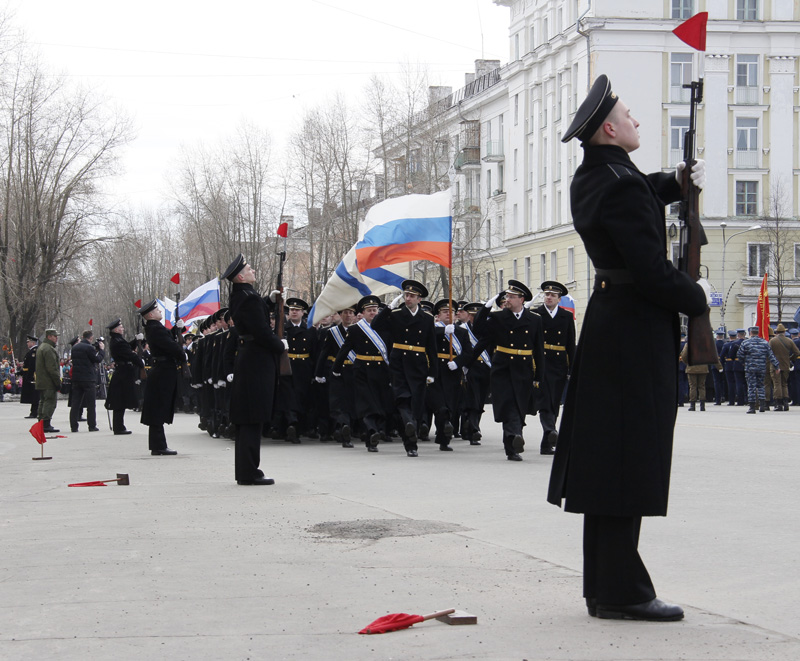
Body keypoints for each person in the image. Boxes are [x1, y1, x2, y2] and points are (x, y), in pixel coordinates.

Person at [548, 75, 708, 621]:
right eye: (629, 115)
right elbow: (652, 271)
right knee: (624, 459)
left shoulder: (597, 176)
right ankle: (621, 592)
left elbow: (636, 190)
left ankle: (608, 587)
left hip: (614, 326)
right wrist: (697, 297)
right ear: (610, 130)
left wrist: (674, 180)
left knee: (611, 460)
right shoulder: (617, 182)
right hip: (634, 333)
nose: (637, 120)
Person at [223, 253, 285, 485]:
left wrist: (268, 301)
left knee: (250, 418)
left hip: (251, 359)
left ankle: (248, 470)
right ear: (240, 276)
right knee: (251, 418)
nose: (253, 271)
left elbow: (254, 315)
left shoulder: (244, 296)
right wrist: (279, 346)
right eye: (249, 269)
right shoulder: (247, 297)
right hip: (256, 362)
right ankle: (249, 472)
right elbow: (260, 330)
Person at [479, 280, 544, 461]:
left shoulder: (534, 320)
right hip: (503, 368)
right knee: (508, 405)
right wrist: (485, 308)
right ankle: (515, 438)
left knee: (519, 405)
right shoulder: (499, 317)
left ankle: (513, 442)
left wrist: (539, 376)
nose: (507, 299)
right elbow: (479, 330)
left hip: (523, 368)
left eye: (511, 297)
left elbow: (538, 350)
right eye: (507, 296)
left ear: (521, 299)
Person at [371, 280, 438, 457]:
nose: (408, 298)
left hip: (418, 365)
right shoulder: (396, 314)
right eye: (406, 295)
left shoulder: (427, 319)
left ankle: (411, 432)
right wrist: (387, 309)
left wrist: (433, 372)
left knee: (415, 402)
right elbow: (375, 326)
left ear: (419, 299)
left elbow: (432, 347)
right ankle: (410, 437)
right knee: (402, 398)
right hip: (399, 362)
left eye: (412, 296)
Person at [332, 295, 393, 452]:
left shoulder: (385, 328)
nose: (373, 313)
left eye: (375, 310)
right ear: (363, 313)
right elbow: (344, 349)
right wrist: (336, 369)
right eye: (369, 310)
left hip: (381, 370)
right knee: (367, 405)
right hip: (362, 371)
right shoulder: (355, 329)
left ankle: (374, 431)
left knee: (380, 404)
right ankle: (371, 432)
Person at [531, 281, 576, 454]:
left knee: (555, 402)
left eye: (553, 295)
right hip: (540, 363)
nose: (549, 297)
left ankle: (546, 442)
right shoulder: (535, 314)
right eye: (546, 294)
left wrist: (572, 368)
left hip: (558, 364)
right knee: (544, 400)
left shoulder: (565, 316)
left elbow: (570, 345)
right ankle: (550, 430)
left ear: (559, 299)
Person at [139, 299, 186, 455]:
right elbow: (169, 345)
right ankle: (159, 446)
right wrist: (182, 354)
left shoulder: (154, 328)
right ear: (151, 314)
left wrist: (178, 329)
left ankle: (158, 445)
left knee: (158, 408)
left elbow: (167, 338)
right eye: (158, 310)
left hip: (162, 369)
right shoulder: (155, 329)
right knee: (158, 408)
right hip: (163, 371)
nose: (160, 312)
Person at [427, 299, 473, 451]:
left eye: (451, 312)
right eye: (444, 312)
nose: (448, 314)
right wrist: (443, 332)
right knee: (440, 407)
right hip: (436, 371)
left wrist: (458, 362)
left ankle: (444, 438)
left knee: (451, 406)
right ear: (438, 316)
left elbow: (468, 353)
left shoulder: (461, 332)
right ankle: (445, 426)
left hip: (453, 372)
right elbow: (426, 342)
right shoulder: (433, 329)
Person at [105, 318, 144, 435]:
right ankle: (119, 427)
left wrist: (135, 341)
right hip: (123, 373)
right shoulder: (118, 341)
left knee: (120, 400)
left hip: (122, 372)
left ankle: (119, 426)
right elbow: (128, 353)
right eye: (121, 327)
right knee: (120, 401)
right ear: (116, 330)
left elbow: (126, 347)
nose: (123, 329)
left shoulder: (117, 340)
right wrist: (140, 362)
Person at [69, 330, 105, 433]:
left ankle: (74, 426)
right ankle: (92, 425)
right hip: (88, 378)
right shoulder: (89, 348)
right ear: (91, 338)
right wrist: (101, 350)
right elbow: (97, 359)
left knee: (75, 403)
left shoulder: (75, 347)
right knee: (90, 403)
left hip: (77, 378)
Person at [739, 326, 779, 414]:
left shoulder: (746, 343)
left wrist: (744, 362)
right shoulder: (764, 343)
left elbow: (740, 355)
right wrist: (776, 366)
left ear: (750, 333)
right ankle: (762, 405)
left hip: (750, 368)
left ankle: (752, 407)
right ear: (758, 332)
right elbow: (771, 355)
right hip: (761, 367)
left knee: (751, 387)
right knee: (761, 386)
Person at [679, 340, 721, 411]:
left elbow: (683, 356)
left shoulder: (689, 344)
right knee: (702, 386)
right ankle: (702, 406)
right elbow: (713, 356)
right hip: (703, 367)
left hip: (691, 368)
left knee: (692, 386)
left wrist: (687, 363)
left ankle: (692, 405)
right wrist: (719, 367)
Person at [35, 328, 62, 433]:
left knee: (43, 401)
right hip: (48, 381)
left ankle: (41, 422)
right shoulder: (48, 349)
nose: (56, 338)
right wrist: (57, 382)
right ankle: (45, 423)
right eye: (55, 336)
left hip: (42, 381)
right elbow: (52, 368)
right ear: (49, 336)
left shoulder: (42, 347)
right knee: (50, 402)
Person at [768, 323, 799, 411]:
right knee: (784, 384)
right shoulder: (789, 341)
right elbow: (797, 353)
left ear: (776, 332)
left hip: (775, 366)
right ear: (784, 332)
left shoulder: (772, 341)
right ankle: (786, 403)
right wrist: (789, 359)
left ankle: (779, 404)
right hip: (786, 365)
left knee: (777, 384)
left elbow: (769, 353)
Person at [20, 335, 40, 419]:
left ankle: (34, 412)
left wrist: (29, 376)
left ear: (32, 343)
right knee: (33, 395)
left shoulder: (34, 352)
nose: (27, 344)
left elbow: (32, 366)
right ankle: (34, 411)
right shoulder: (31, 351)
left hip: (32, 376)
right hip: (29, 374)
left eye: (28, 342)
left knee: (34, 395)